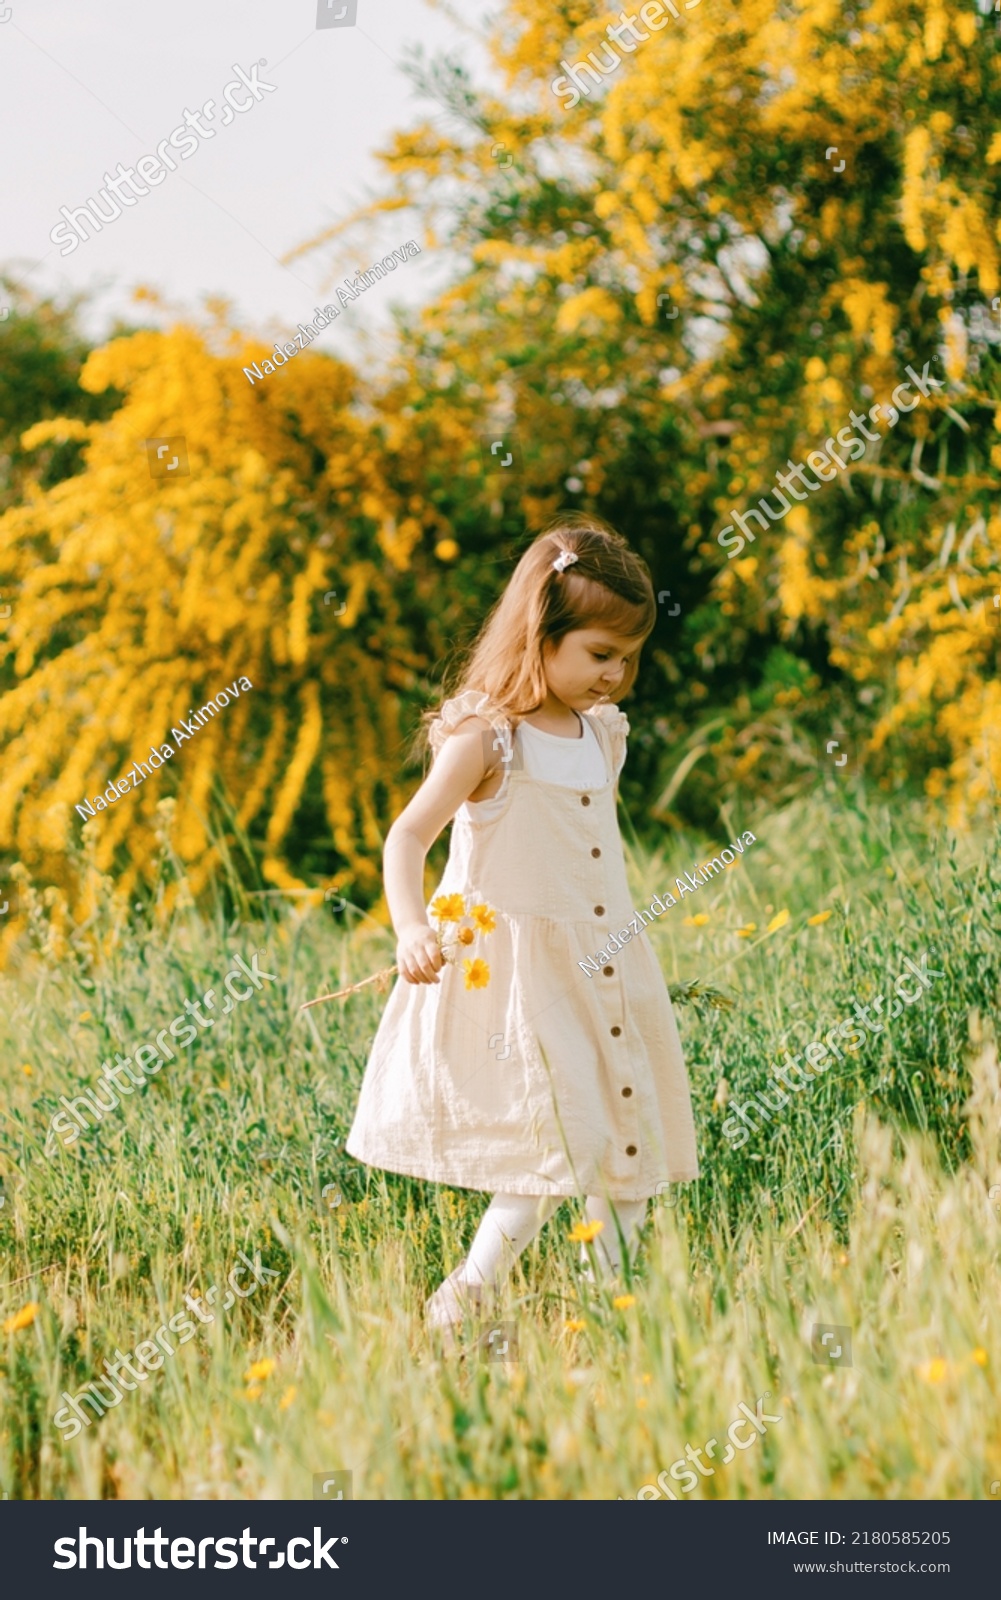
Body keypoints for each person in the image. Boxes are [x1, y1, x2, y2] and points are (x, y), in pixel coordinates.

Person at [344, 512, 699, 1342]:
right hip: (519, 979)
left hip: (606, 965)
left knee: (624, 1143)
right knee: (553, 1146)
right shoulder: (487, 739)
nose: (615, 674)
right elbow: (408, 835)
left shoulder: (598, 735)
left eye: (628, 656)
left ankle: (610, 1312)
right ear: (540, 635)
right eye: (598, 653)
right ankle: (468, 1292)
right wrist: (407, 927)